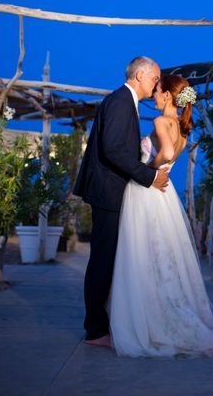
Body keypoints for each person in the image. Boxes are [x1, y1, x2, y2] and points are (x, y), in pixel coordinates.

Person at [109, 74, 213, 357]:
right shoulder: (182, 128)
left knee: (145, 253)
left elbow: (165, 152)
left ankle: (155, 316)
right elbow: (173, 152)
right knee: (162, 254)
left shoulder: (159, 122)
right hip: (166, 195)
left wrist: (147, 169)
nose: (154, 96)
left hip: (149, 190)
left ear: (168, 95)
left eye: (157, 91)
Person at [73, 56, 170, 348]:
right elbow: (114, 150)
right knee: (102, 260)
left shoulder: (125, 102)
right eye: (154, 79)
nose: (155, 86)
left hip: (113, 191)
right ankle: (95, 330)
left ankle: (101, 325)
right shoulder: (119, 102)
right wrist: (149, 177)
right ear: (140, 75)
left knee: (109, 259)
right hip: (108, 192)